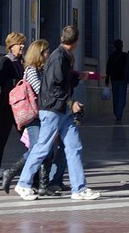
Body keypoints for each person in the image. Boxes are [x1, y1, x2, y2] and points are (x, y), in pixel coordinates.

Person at [15, 26, 99, 202]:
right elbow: (54, 87)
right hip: (53, 110)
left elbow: (62, 82)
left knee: (74, 147)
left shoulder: (63, 57)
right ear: (76, 42)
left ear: (63, 38)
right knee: (43, 147)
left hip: (63, 110)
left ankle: (79, 188)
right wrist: (71, 102)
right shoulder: (58, 57)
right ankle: (23, 183)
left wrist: (77, 78)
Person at [0, 38, 51, 194]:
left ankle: (42, 184)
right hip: (33, 115)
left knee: (44, 148)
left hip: (42, 113)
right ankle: (12, 172)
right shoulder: (31, 70)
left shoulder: (41, 70)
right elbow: (40, 90)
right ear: (39, 53)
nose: (48, 54)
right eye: (46, 52)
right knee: (37, 148)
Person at [0, 30, 26, 171]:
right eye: (19, 44)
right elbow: (0, 81)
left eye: (23, 44)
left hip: (21, 106)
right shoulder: (6, 61)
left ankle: (36, 168)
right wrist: (17, 82)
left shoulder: (21, 62)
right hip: (8, 105)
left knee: (28, 136)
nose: (22, 46)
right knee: (1, 137)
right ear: (11, 46)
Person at [105, 38, 129, 124]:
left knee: (116, 97)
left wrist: (107, 78)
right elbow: (127, 67)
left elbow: (108, 68)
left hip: (114, 79)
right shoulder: (125, 56)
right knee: (121, 98)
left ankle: (117, 113)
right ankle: (119, 114)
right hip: (122, 79)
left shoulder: (112, 56)